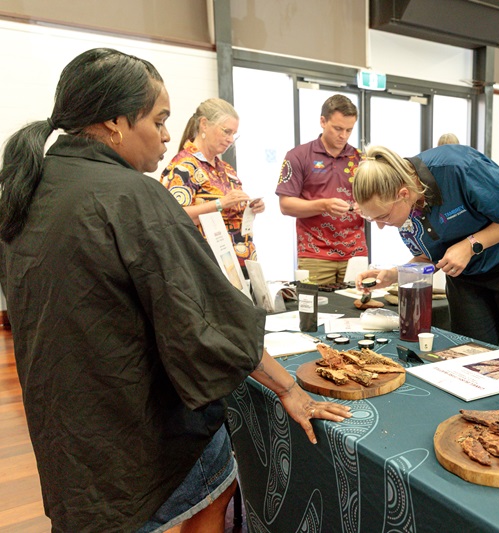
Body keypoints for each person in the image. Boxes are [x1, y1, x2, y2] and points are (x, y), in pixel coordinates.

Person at [0, 48, 350, 532]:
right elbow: (205, 323)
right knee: (218, 474)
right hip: (133, 425)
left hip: (67, 421)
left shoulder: (29, 186)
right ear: (116, 122)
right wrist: (289, 387)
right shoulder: (131, 195)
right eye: (160, 120)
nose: (167, 134)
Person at [353, 143, 499, 352]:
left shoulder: (458, 168)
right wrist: (393, 275)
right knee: (471, 356)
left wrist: (470, 245)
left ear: (403, 194)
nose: (381, 226)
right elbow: (429, 258)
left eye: (383, 217)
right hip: (466, 278)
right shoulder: (404, 209)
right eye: (372, 219)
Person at [161, 97, 264, 271]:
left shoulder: (227, 170)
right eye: (226, 131)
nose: (230, 139)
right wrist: (219, 204)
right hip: (206, 267)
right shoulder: (184, 167)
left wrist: (251, 207)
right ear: (204, 124)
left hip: (239, 264)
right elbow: (173, 216)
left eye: (233, 134)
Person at [276, 94, 366, 285]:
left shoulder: (361, 159)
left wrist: (366, 208)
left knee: (357, 307)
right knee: (315, 312)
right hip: (314, 253)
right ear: (322, 121)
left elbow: (377, 202)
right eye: (338, 128)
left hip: (356, 253)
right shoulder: (298, 156)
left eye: (349, 130)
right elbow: (285, 205)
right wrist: (323, 205)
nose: (344, 136)